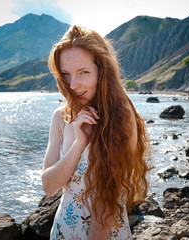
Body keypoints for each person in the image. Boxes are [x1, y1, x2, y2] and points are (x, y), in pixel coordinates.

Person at [42, 25, 151, 240]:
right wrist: (79, 143)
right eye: (66, 74)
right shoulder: (60, 117)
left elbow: (108, 199)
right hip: (63, 231)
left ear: (102, 70)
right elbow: (49, 186)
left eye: (83, 72)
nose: (73, 85)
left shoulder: (121, 117)